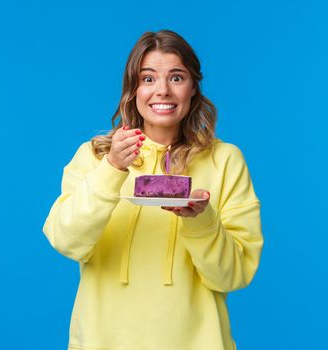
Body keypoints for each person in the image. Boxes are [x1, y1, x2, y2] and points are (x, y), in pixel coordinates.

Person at [42, 29, 264, 350]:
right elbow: (66, 241)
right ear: (132, 89)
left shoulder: (225, 161)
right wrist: (113, 168)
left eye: (176, 77)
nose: (162, 91)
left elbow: (233, 275)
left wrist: (201, 221)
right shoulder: (94, 156)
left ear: (193, 88)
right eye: (148, 79)